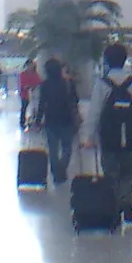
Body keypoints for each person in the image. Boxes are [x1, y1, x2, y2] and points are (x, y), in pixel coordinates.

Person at [90, 43, 132, 225]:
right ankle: (127, 205)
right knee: (127, 172)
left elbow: (94, 112)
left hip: (108, 137)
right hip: (130, 136)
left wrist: (89, 136)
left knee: (110, 173)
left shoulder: (102, 84)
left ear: (107, 60)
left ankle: (113, 209)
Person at [34, 54, 81, 185]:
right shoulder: (68, 83)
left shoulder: (45, 85)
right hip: (67, 119)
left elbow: (42, 104)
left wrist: (38, 121)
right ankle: (62, 169)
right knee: (67, 147)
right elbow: (76, 100)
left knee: (53, 149)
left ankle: (56, 173)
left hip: (51, 120)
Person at [17, 56, 41, 130]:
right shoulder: (23, 74)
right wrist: (29, 86)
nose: (31, 66)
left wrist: (33, 86)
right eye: (29, 65)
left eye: (32, 65)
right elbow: (23, 84)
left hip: (34, 95)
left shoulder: (35, 74)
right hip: (25, 94)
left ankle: (33, 121)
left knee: (34, 108)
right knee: (24, 108)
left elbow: (39, 82)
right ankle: (22, 122)